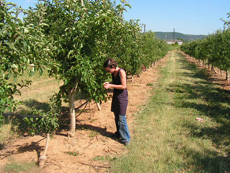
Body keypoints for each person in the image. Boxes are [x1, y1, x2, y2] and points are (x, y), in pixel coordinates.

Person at [103, 58, 131, 146]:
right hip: (116, 95)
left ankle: (126, 139)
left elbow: (123, 86)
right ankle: (119, 133)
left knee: (121, 117)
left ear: (113, 66)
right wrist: (109, 83)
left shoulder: (121, 72)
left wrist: (111, 85)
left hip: (122, 96)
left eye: (108, 70)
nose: (108, 72)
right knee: (116, 115)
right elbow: (117, 83)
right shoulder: (114, 72)